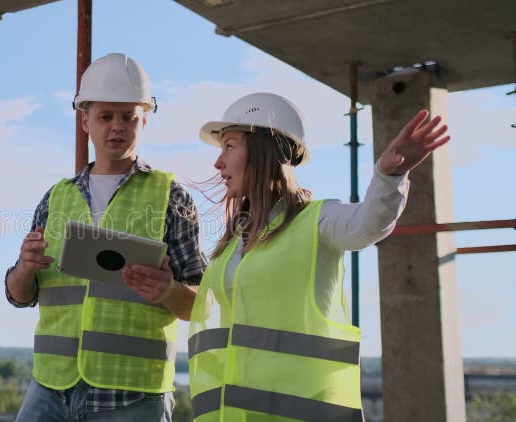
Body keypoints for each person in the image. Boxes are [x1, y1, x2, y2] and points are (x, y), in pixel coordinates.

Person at [181, 93, 449, 421]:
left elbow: (368, 223)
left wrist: (388, 177)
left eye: (230, 146)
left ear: (265, 150)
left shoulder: (317, 221)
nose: (218, 162)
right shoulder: (234, 241)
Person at [5, 53, 207, 421]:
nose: (117, 127)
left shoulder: (171, 197)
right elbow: (19, 296)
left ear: (145, 118)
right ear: (85, 121)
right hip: (51, 389)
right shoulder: (56, 198)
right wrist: (24, 269)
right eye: (105, 116)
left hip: (132, 397)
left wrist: (168, 291)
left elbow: (202, 305)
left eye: (128, 116)